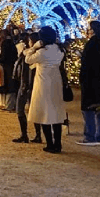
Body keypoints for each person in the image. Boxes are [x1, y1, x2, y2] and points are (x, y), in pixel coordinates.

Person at [26, 26, 66, 154]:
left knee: (44, 114)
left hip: (43, 84)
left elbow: (28, 59)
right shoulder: (59, 50)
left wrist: (34, 47)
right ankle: (58, 144)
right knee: (56, 114)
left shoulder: (42, 52)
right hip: (55, 82)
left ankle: (50, 144)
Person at [77, 20, 100, 146]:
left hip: (90, 81)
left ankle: (89, 136)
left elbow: (86, 65)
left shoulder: (90, 45)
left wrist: (82, 79)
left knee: (88, 109)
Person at [11, 32, 43, 143]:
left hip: (27, 84)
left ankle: (26, 134)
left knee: (22, 109)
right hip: (32, 84)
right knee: (33, 110)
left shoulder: (31, 55)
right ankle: (36, 135)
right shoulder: (37, 54)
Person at [0, 30, 20, 111]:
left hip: (7, 67)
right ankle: (12, 105)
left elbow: (3, 57)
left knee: (9, 86)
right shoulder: (12, 42)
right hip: (12, 66)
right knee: (13, 85)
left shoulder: (5, 43)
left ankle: (9, 106)